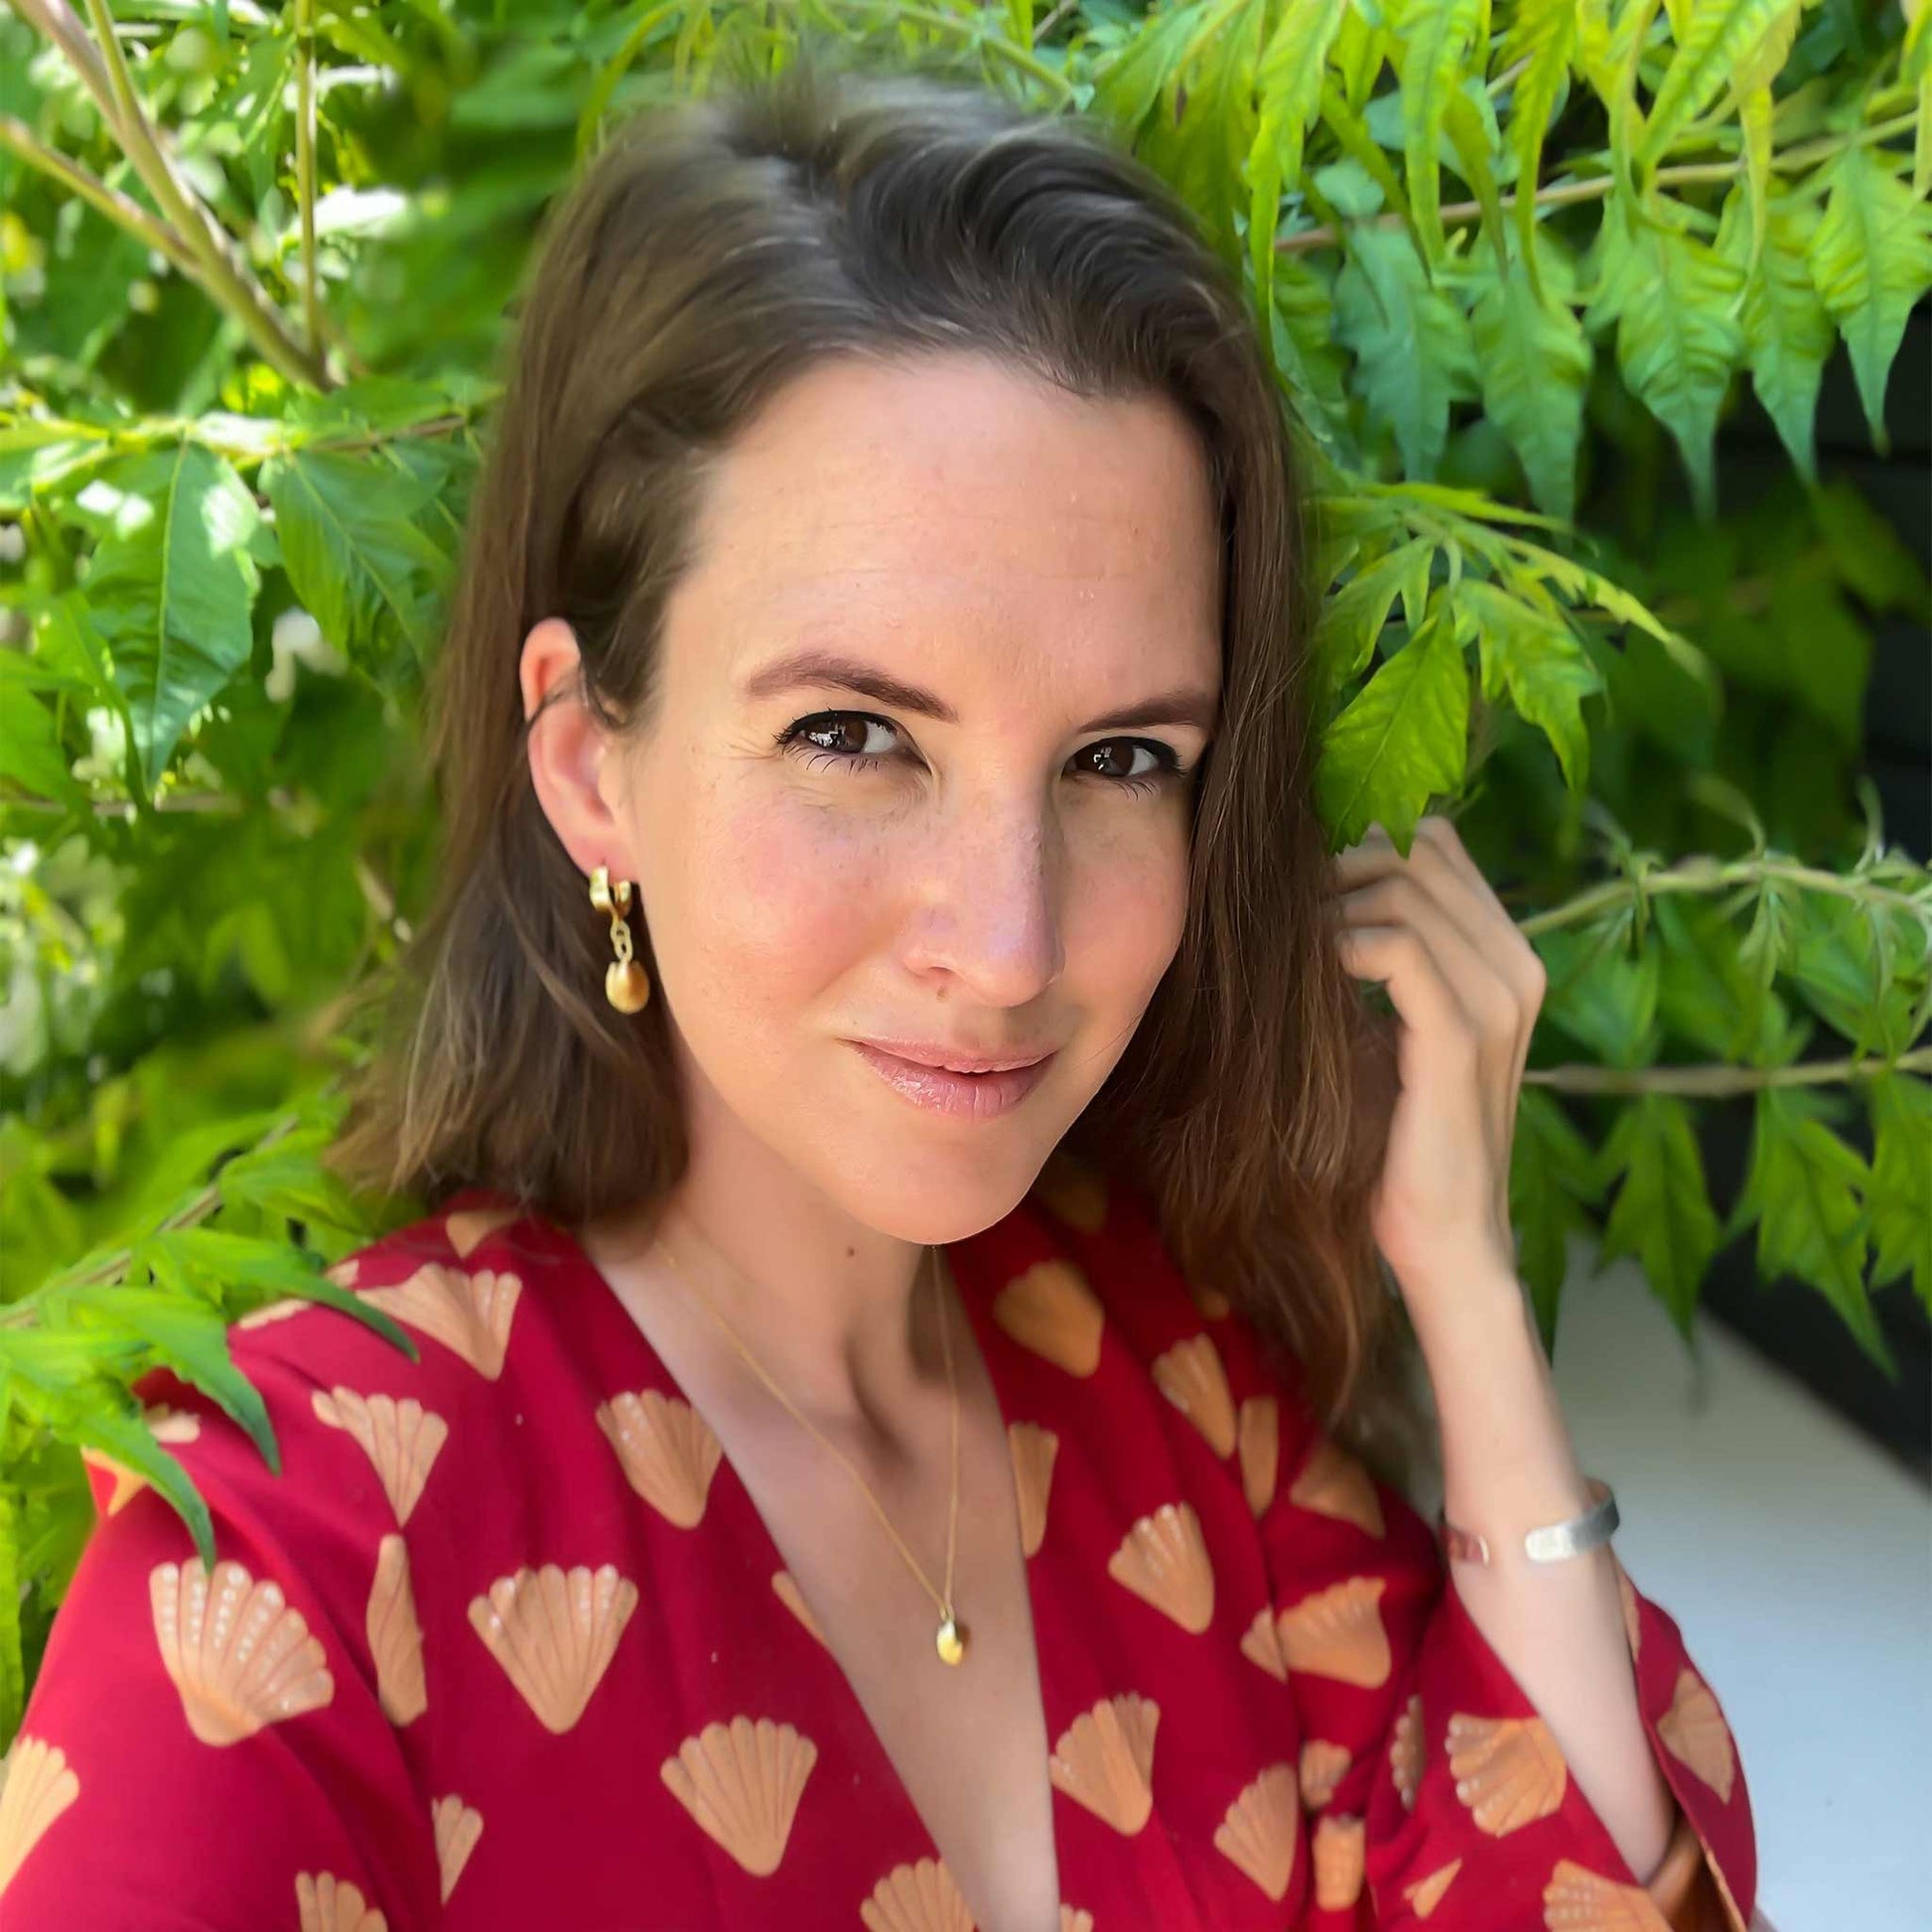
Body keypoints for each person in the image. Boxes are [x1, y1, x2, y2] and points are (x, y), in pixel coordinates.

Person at [0, 55, 1757, 1932]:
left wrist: (1465, 1289)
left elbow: (1543, 1879)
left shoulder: (1165, 1386)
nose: (1006, 945)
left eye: (1119, 760)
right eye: (853, 735)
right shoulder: (295, 1561)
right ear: (589, 762)